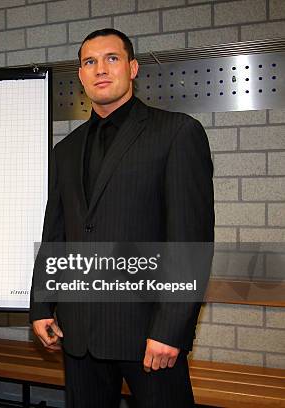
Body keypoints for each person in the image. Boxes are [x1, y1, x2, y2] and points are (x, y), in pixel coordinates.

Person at [30, 29, 214, 407]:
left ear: (132, 68)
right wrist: (41, 305)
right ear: (81, 75)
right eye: (89, 62)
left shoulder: (176, 133)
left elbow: (189, 241)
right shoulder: (65, 150)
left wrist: (171, 331)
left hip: (148, 336)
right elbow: (57, 234)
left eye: (111, 58)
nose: (100, 69)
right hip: (78, 334)